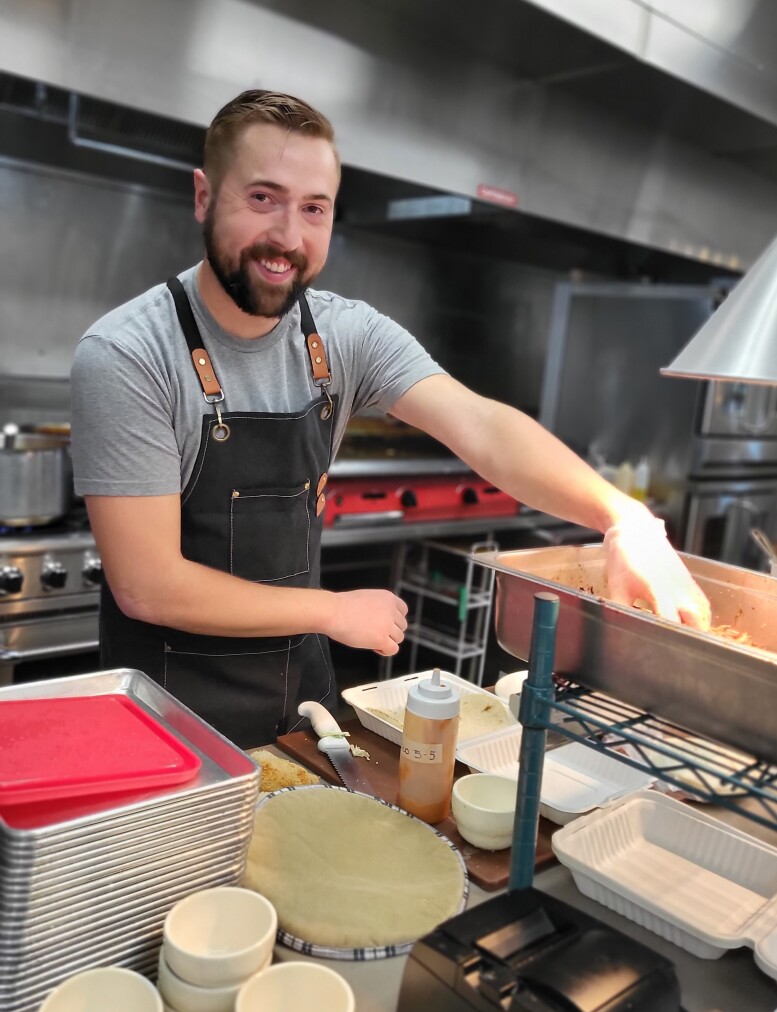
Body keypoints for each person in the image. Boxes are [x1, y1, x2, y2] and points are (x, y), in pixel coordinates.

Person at [71, 90, 710, 749]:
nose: (288, 237)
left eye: (313, 208)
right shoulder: (128, 353)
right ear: (204, 195)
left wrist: (625, 518)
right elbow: (148, 585)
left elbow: (483, 425)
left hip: (303, 723)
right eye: (263, 198)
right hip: (165, 737)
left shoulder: (345, 337)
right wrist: (334, 610)